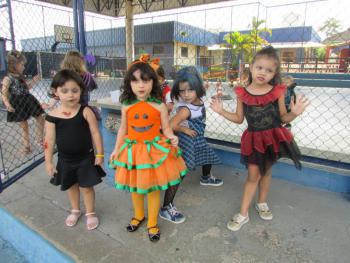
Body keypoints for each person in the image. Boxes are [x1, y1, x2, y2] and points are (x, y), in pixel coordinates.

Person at [210, 46, 309, 231]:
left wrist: (294, 113)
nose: (263, 72)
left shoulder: (277, 92)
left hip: (273, 137)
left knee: (267, 171)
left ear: (274, 74)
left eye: (269, 70)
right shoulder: (242, 93)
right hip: (254, 140)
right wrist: (222, 111)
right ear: (252, 67)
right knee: (253, 175)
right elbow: (239, 119)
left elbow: (283, 117)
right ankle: (243, 213)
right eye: (259, 67)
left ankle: (261, 203)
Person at [109, 59, 187, 242]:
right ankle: (138, 215)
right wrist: (115, 149)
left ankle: (152, 222)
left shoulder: (159, 105)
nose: (141, 85)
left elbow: (166, 129)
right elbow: (123, 129)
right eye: (135, 81)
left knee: (152, 189)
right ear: (129, 83)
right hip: (133, 152)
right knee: (135, 188)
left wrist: (172, 137)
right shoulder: (127, 105)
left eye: (145, 80)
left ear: (154, 81)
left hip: (153, 151)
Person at [159, 66, 223, 224]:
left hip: (197, 138)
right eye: (182, 91)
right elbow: (171, 125)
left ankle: (206, 177)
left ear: (198, 88)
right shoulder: (185, 109)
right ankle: (166, 207)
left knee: (206, 153)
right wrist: (183, 129)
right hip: (187, 141)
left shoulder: (196, 101)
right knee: (180, 173)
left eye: (190, 90)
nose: (186, 95)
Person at [44, 69, 104, 231]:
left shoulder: (85, 111)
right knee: (71, 186)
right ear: (55, 92)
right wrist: (48, 161)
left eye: (75, 90)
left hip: (86, 158)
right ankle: (75, 210)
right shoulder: (52, 116)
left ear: (81, 92)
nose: (70, 95)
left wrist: (99, 154)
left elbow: (95, 133)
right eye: (65, 91)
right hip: (65, 159)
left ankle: (90, 213)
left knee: (87, 187)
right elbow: (49, 141)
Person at [1, 51, 45, 154]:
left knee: (40, 117)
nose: (24, 67)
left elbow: (27, 87)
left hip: (28, 99)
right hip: (18, 102)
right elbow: (4, 93)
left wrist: (35, 80)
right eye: (22, 65)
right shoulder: (8, 78)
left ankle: (39, 139)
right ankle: (27, 146)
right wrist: (7, 104)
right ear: (15, 65)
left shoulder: (21, 77)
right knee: (24, 125)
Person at [61, 51, 100, 119]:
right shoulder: (87, 75)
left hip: (69, 109)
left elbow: (54, 94)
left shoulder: (62, 76)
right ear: (80, 62)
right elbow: (92, 87)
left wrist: (50, 104)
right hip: (84, 109)